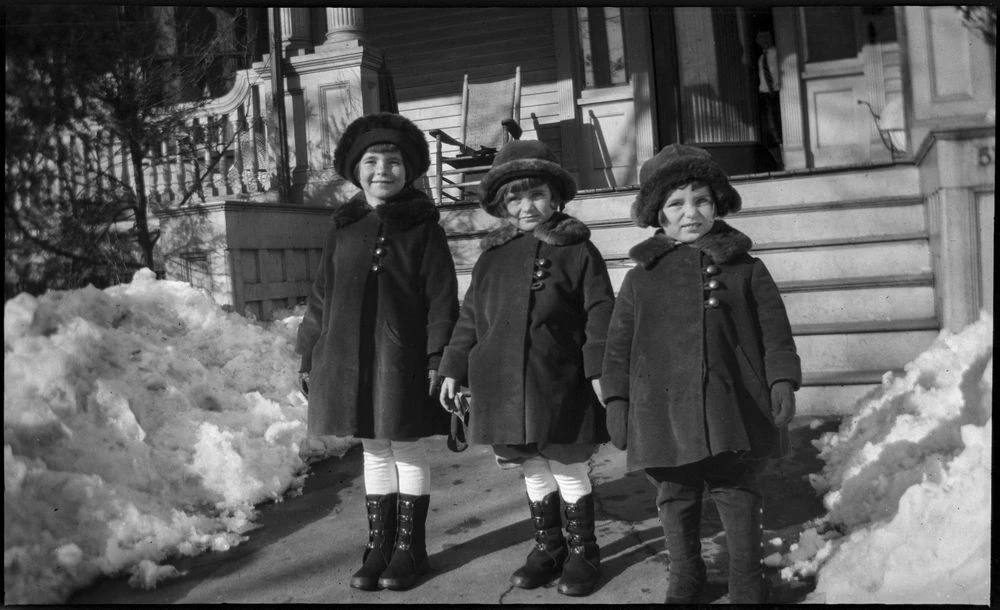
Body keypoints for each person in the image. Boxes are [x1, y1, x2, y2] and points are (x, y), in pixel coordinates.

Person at [601, 144, 800, 604]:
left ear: (718, 204)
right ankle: (685, 579)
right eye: (676, 203)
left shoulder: (746, 268)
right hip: (661, 409)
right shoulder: (640, 278)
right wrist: (617, 400)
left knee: (737, 491)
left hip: (732, 404)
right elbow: (618, 347)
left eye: (701, 200)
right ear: (658, 214)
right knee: (675, 495)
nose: (690, 213)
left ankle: (747, 581)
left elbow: (776, 333)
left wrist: (782, 379)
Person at [437, 140, 615, 597]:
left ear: (555, 196)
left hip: (558, 379)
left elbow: (600, 310)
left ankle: (582, 550)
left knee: (566, 462)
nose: (526, 206)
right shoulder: (492, 257)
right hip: (500, 382)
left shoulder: (579, 251)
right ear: (501, 204)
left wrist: (598, 368)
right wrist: (454, 366)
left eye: (535, 194)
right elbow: (471, 316)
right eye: (514, 197)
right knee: (530, 464)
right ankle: (549, 547)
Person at [296, 112, 459, 592]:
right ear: (355, 169)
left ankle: (411, 549)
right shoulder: (343, 226)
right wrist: (308, 351)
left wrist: (438, 357)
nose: (381, 170)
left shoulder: (423, 227)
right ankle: (379, 545)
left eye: (392, 162)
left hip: (402, 357)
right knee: (372, 447)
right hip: (349, 358)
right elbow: (321, 294)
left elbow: (442, 297)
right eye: (371, 161)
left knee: (404, 445)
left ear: (409, 171)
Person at [755, 29, 783, 168]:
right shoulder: (761, 58)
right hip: (765, 95)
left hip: (776, 93)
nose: (764, 40)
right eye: (761, 37)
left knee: (779, 129)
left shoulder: (778, 53)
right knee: (768, 133)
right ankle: (779, 162)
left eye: (767, 36)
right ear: (757, 41)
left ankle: (785, 161)